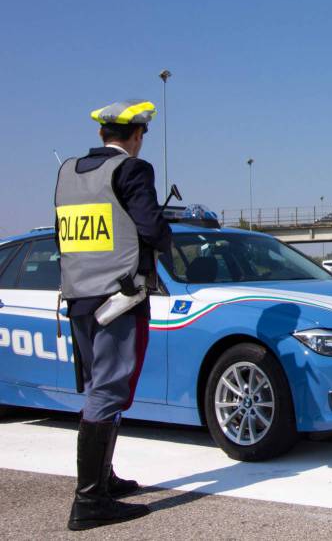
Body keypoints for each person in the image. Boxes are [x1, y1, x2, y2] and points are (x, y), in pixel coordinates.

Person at [54, 99, 172, 531]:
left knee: (98, 388)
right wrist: (165, 228)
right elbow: (151, 230)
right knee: (109, 390)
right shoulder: (133, 170)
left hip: (78, 297)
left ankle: (103, 479)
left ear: (103, 133)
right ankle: (89, 502)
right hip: (118, 299)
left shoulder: (68, 172)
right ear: (136, 135)